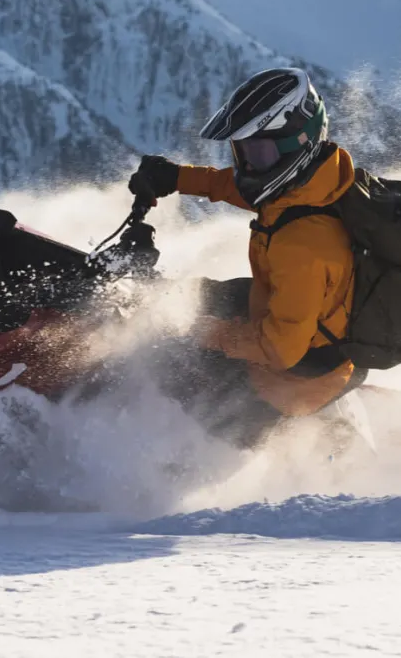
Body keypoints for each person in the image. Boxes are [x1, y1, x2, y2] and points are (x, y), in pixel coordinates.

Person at [126, 67, 363, 442]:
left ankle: (314, 431)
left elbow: (281, 350)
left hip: (291, 377)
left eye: (260, 151)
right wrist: (179, 178)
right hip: (315, 322)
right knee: (193, 295)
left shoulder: (302, 246)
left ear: (296, 142)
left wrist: (207, 332)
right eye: (244, 151)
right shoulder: (317, 183)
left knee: (171, 353)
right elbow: (247, 190)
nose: (249, 164)